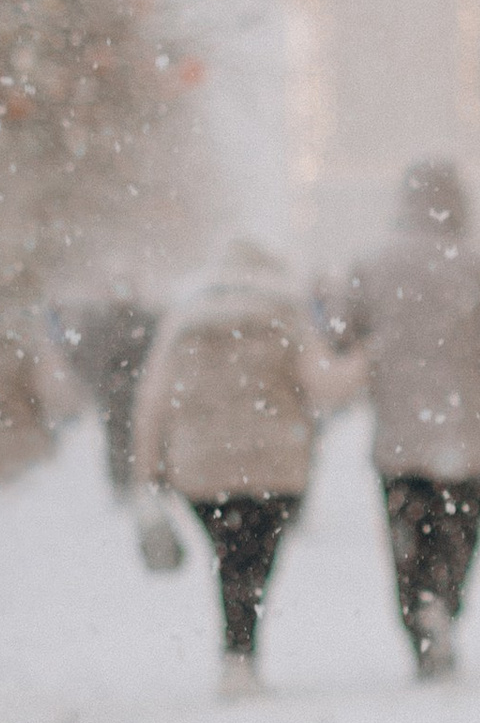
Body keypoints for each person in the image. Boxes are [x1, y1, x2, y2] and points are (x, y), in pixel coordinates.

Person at [335, 160, 480, 681]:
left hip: (400, 432)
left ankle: (418, 619)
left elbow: (341, 333)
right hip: (467, 432)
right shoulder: (478, 265)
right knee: (459, 532)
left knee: (408, 536)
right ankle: (445, 603)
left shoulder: (372, 263)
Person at [131, 239, 354, 695]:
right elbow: (323, 386)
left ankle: (236, 655)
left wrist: (147, 471)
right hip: (273, 464)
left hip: (199, 467)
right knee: (255, 561)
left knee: (227, 556)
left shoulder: (183, 321)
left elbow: (152, 403)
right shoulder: (286, 315)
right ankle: (241, 655)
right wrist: (363, 363)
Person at [51, 293, 159, 496]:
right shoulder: (139, 318)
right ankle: (128, 483)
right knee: (126, 435)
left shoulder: (100, 321)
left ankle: (125, 483)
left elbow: (82, 357)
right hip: (126, 390)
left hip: (117, 390)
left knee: (120, 436)